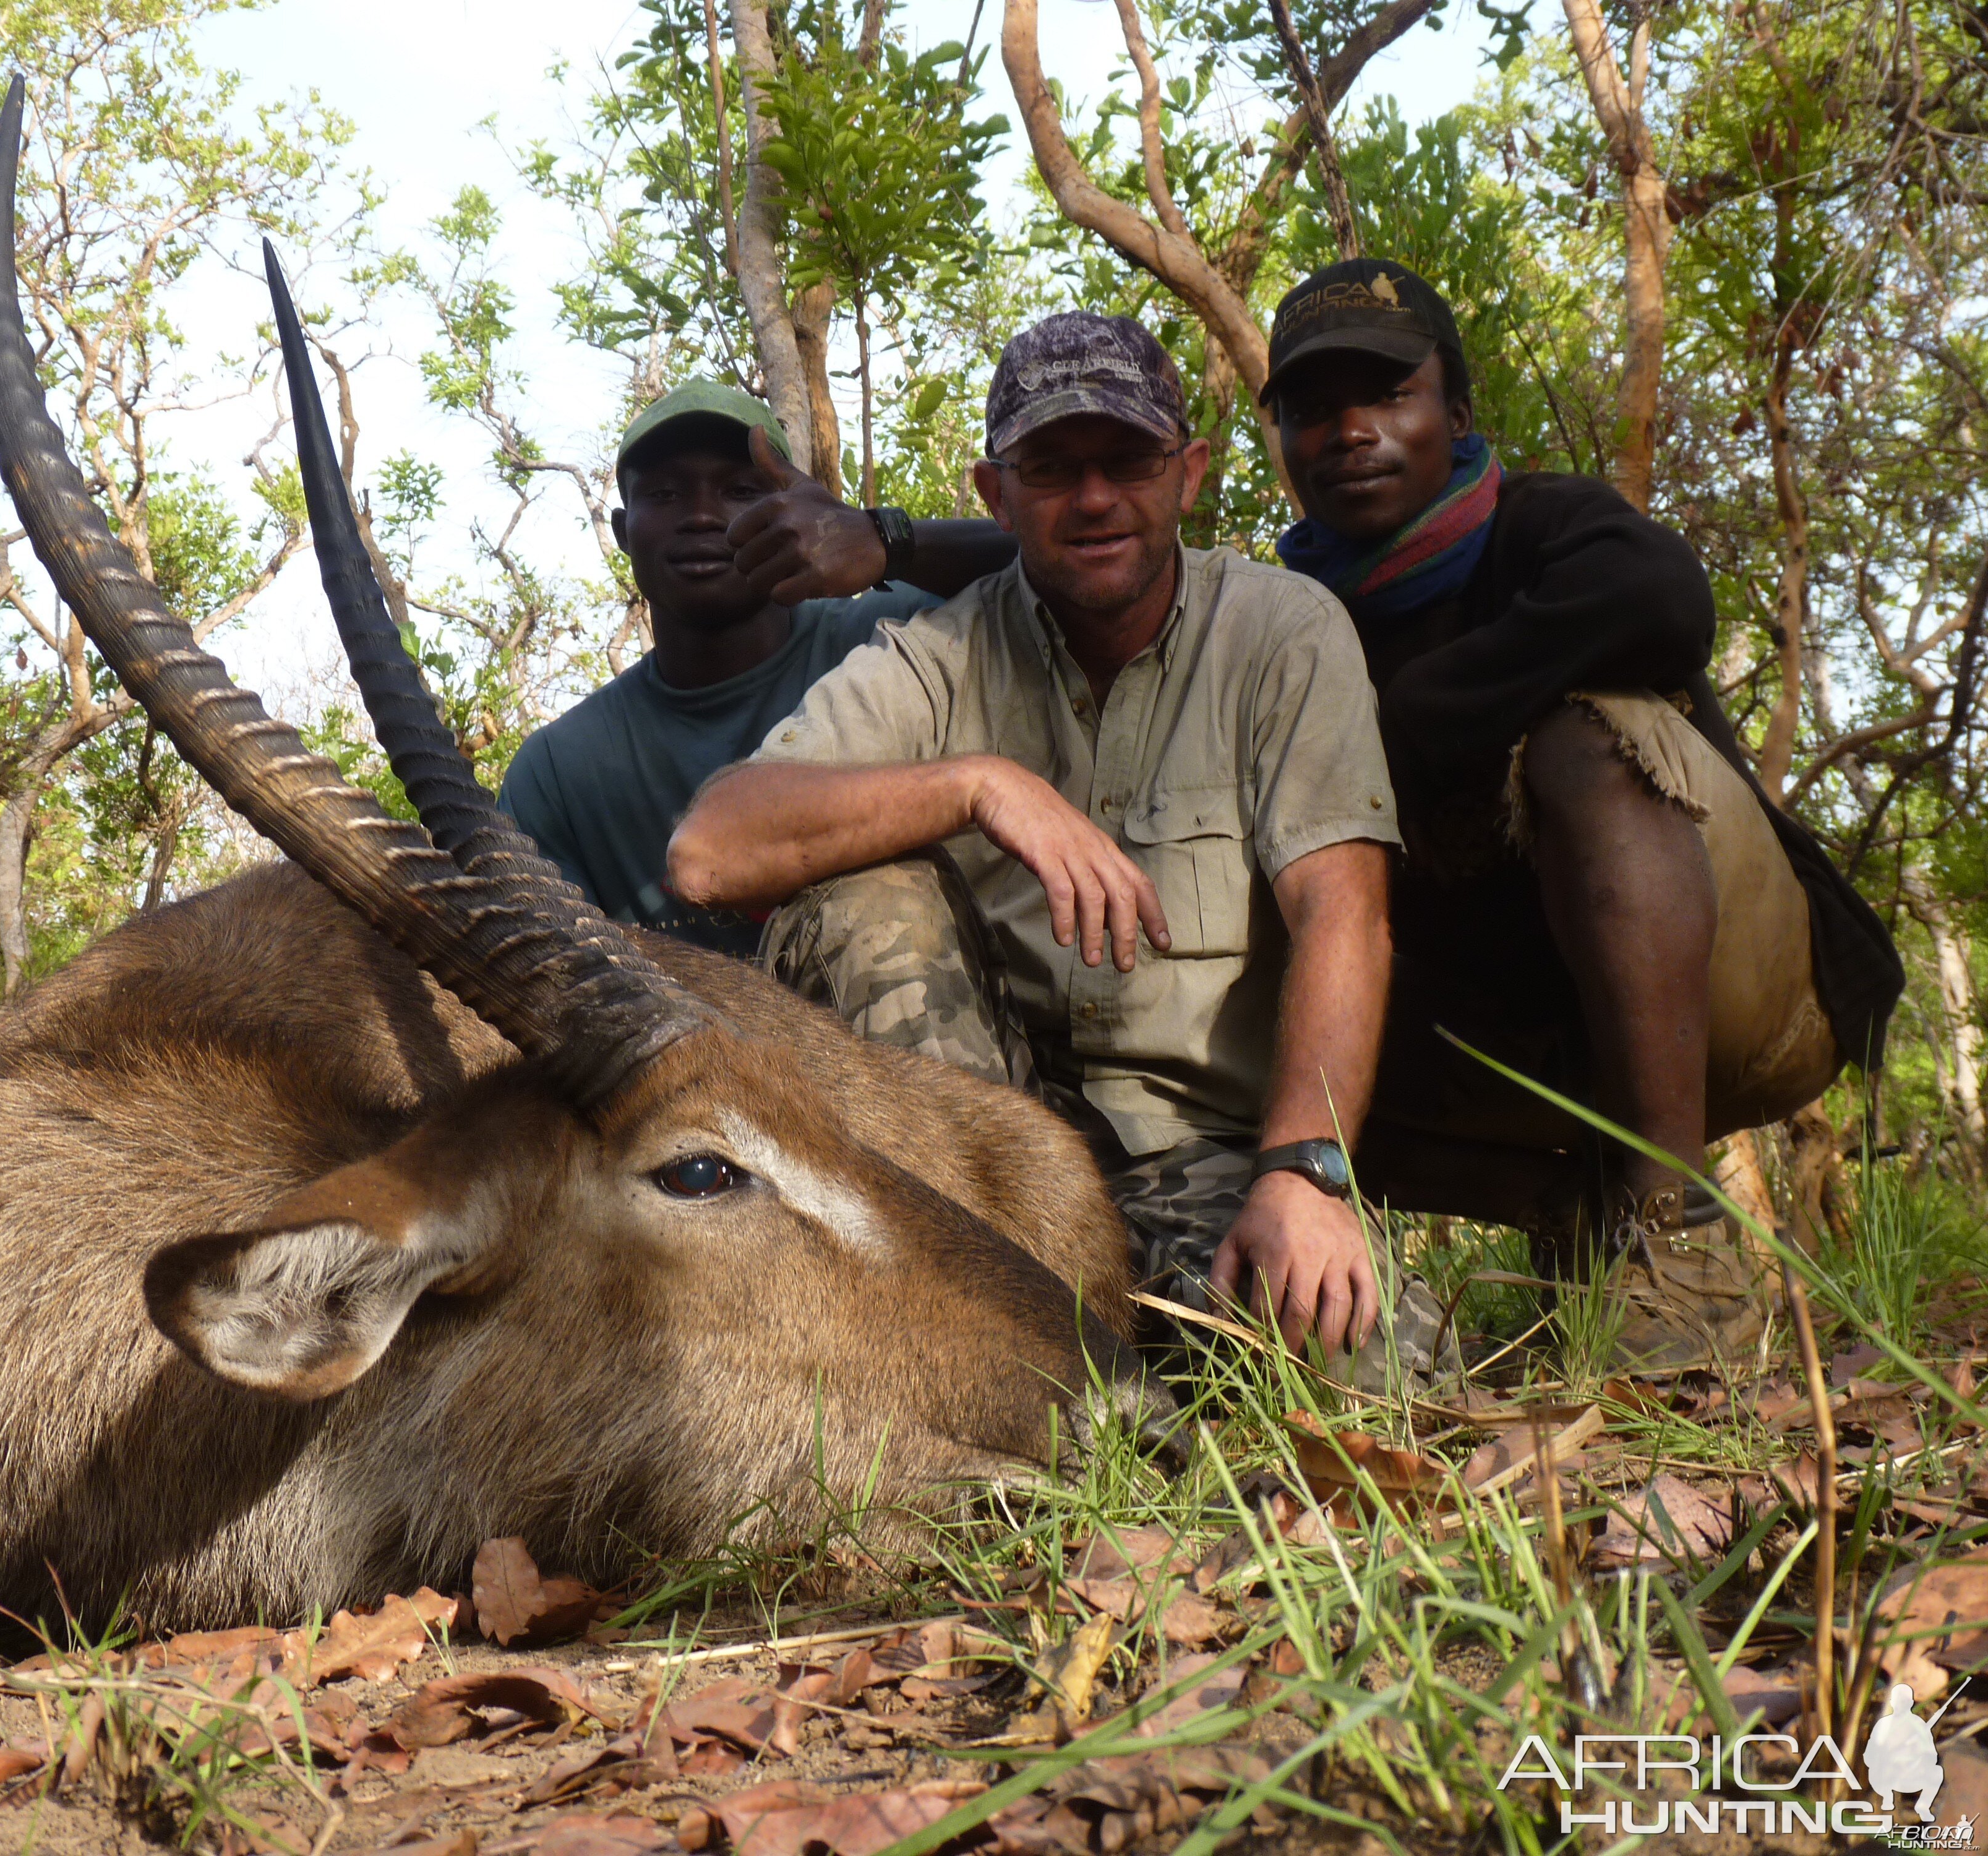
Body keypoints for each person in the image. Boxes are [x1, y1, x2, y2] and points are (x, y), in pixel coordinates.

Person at [669, 312, 1444, 1380]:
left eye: (1128, 460)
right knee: (860, 895)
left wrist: (1304, 1179)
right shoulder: (939, 656)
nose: (1093, 500)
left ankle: (1077, 1368)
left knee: (1382, 1389)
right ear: (995, 494)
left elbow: (1343, 913)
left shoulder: (1282, 632)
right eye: (1052, 468)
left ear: (1190, 474)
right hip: (988, 1169)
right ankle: (972, 1315)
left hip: (1201, 1162)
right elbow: (710, 851)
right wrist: (981, 786)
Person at [1256, 257, 1903, 1366]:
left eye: (1389, 396)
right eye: (1316, 410)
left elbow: (1660, 600)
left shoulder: (1544, 524)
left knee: (1585, 744)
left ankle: (1675, 1232)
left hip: (1749, 1010)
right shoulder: (1284, 614)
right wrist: (901, 541)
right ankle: (1578, 1210)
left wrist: (1406, 718)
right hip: (1518, 1047)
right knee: (1231, 955)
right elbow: (1104, 555)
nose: (1352, 430)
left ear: (1454, 415)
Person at [499, 380, 1011, 956]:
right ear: (623, 533)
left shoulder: (895, 640)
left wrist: (882, 541)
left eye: (740, 490)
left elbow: (1057, 570)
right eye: (664, 495)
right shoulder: (558, 772)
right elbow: (541, 976)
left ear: (795, 513)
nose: (701, 516)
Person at [1864, 1683, 1945, 1821]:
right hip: (1885, 1774)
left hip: (1911, 1772)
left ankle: (1923, 1807)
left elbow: (1931, 1754)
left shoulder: (1919, 1724)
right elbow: (1870, 1755)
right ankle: (1887, 1808)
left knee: (1936, 1772)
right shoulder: (1883, 1723)